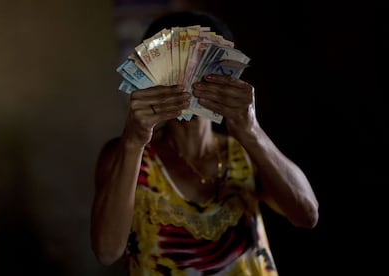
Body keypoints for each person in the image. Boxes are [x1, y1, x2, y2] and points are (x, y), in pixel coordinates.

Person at [91, 10, 319, 275]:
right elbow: (107, 252)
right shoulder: (127, 156)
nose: (188, 77)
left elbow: (307, 215)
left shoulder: (244, 152)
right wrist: (133, 142)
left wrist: (251, 131)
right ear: (152, 75)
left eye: (201, 64)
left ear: (229, 75)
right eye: (177, 62)